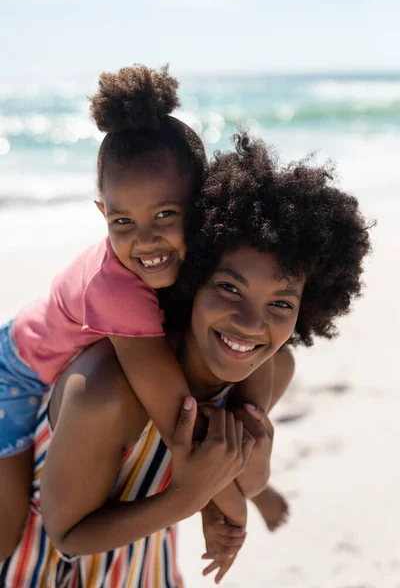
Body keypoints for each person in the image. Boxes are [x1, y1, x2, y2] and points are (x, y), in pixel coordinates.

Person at [0, 131, 372, 586]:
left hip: (144, 564)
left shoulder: (272, 369)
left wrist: (250, 487)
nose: (251, 325)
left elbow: (217, 472)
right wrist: (193, 500)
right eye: (229, 288)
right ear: (192, 277)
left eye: (281, 304)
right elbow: (68, 537)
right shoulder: (105, 393)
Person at [0, 64, 269, 561]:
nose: (145, 240)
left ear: (202, 203)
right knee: (7, 528)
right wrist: (227, 511)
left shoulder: (201, 257)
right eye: (123, 221)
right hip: (16, 372)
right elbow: (176, 421)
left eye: (165, 214)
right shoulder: (116, 288)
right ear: (103, 214)